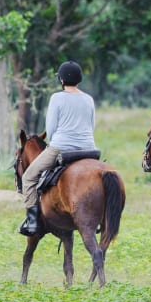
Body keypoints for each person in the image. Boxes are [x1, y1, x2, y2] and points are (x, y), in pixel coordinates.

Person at [19, 60, 97, 236]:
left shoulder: (56, 98)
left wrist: (55, 144)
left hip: (62, 148)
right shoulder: (88, 99)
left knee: (29, 177)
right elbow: (92, 126)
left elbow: (51, 127)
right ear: (79, 79)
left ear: (61, 80)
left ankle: (32, 223)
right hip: (89, 149)